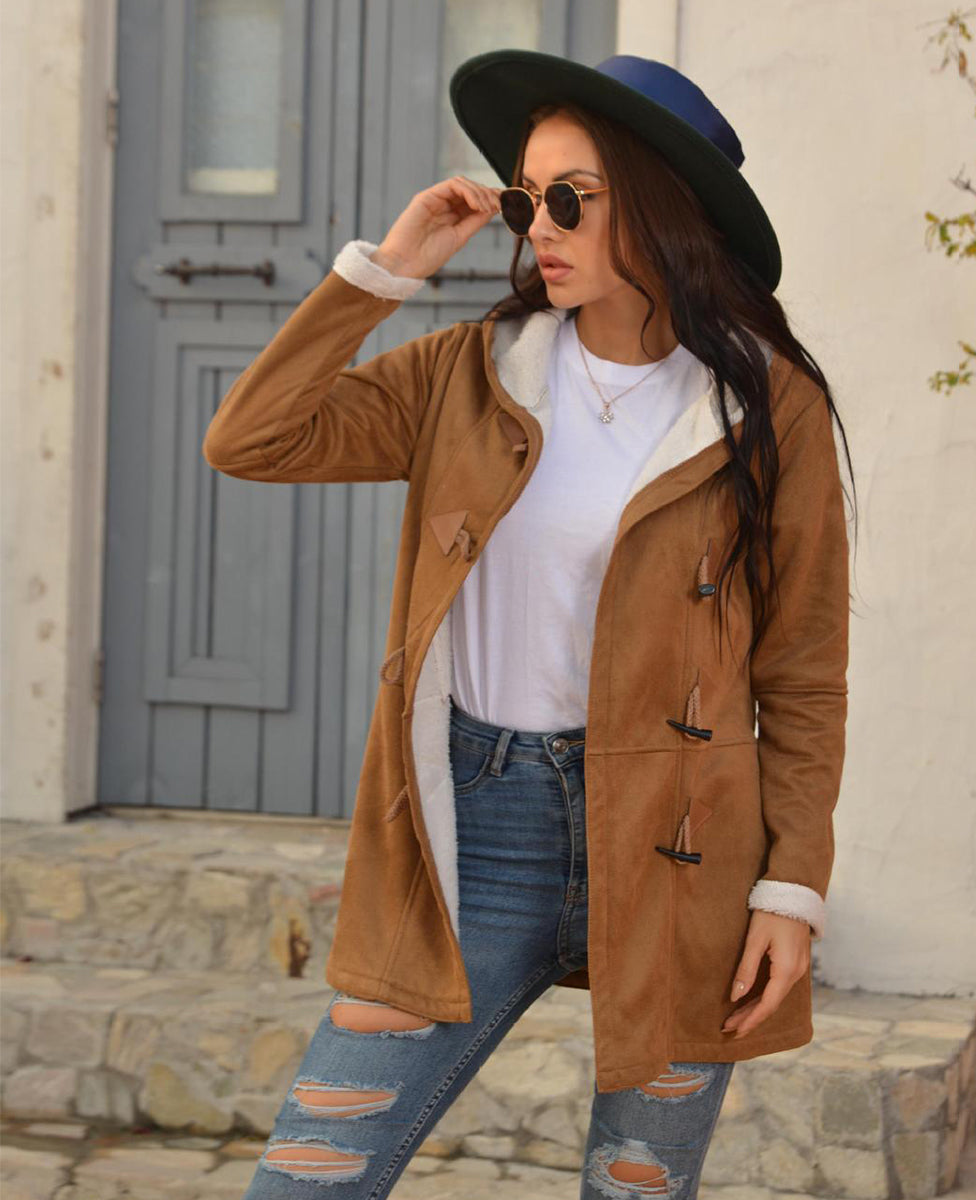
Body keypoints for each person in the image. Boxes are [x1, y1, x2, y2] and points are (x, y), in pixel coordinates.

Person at [206, 48, 856, 1200]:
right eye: (524, 201)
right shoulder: (467, 376)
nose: (538, 228)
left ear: (661, 204)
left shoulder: (766, 406)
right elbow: (251, 440)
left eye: (569, 199)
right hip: (479, 833)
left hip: (682, 845)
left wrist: (790, 889)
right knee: (305, 1181)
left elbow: (802, 669)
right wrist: (385, 271)